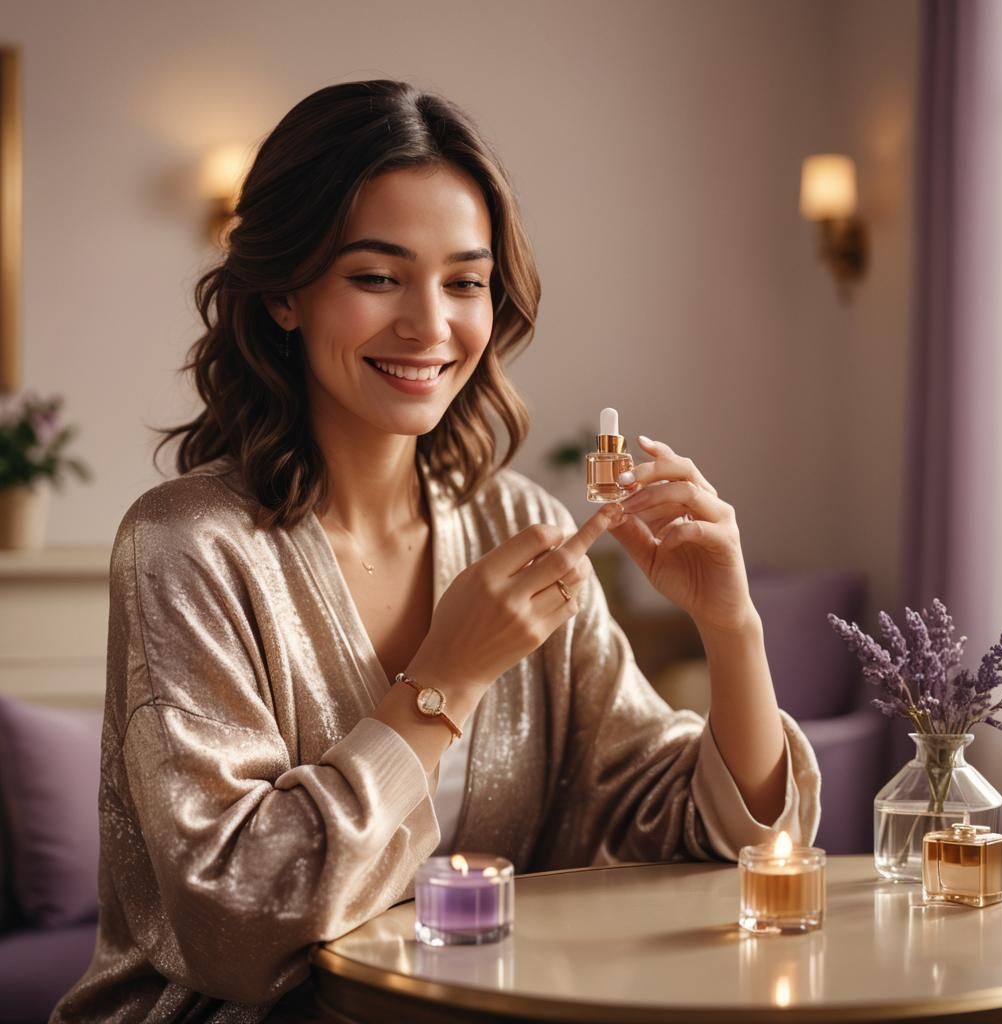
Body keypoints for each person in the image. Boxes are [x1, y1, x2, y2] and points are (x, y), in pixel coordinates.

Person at [51, 80, 820, 1023]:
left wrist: (729, 626)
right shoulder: (187, 547)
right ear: (287, 294)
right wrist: (444, 682)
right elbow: (235, 923)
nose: (428, 324)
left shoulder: (514, 524)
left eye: (465, 281)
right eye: (377, 277)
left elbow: (697, 834)